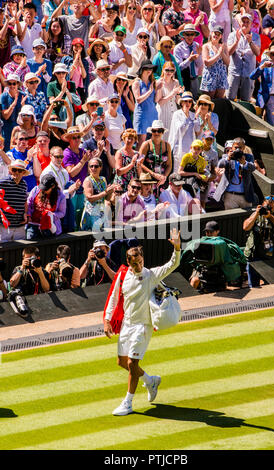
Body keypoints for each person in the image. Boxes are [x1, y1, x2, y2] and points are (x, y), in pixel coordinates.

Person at [103, 227, 181, 416]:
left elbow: (172, 264)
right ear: (128, 262)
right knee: (121, 362)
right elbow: (114, 298)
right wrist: (107, 320)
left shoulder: (151, 275)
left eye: (141, 262)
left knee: (131, 363)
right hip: (126, 325)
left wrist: (177, 248)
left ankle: (128, 403)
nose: (139, 266)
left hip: (143, 326)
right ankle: (150, 381)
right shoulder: (122, 276)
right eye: (135, 263)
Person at [243, 195, 274, 287]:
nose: (269, 207)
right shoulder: (255, 215)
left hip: (271, 255)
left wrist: (270, 216)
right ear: (262, 204)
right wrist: (257, 213)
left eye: (272, 205)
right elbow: (246, 227)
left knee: (272, 284)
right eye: (267, 205)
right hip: (255, 254)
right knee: (253, 285)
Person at [227, 13, 261, 102]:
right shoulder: (232, 35)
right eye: (243, 21)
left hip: (248, 73)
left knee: (245, 100)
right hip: (234, 72)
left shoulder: (256, 37)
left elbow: (257, 53)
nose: (245, 24)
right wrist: (236, 42)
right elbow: (229, 52)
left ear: (251, 24)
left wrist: (250, 42)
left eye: (247, 22)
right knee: (229, 98)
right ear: (240, 23)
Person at [80, 156, 117, 231]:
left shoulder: (103, 179)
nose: (93, 168)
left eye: (96, 166)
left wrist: (110, 192)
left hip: (101, 211)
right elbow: (90, 198)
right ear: (89, 168)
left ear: (100, 167)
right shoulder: (88, 180)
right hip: (91, 212)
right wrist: (105, 192)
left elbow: (107, 198)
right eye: (91, 166)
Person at [26, 173, 66, 240]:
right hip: (33, 224)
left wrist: (51, 215)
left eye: (46, 189)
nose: (43, 190)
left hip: (49, 227)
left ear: (53, 186)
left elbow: (62, 213)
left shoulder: (60, 196)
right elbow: (29, 203)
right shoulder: (35, 190)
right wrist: (28, 215)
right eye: (42, 187)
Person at [168, 91, 201, 173]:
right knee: (177, 173)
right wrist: (186, 116)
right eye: (186, 101)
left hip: (191, 149)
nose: (188, 103)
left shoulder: (193, 115)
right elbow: (180, 128)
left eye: (190, 101)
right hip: (179, 148)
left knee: (188, 172)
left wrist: (196, 118)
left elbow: (197, 130)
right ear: (182, 103)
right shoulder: (177, 114)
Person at [139, 120, 173, 193]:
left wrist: (164, 177)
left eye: (159, 131)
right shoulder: (146, 145)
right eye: (154, 131)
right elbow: (139, 163)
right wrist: (154, 174)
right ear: (151, 132)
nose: (157, 133)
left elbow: (169, 165)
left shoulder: (167, 145)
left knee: (163, 203)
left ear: (163, 132)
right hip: (148, 180)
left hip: (162, 181)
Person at [132, 59, 159, 149]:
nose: (149, 70)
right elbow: (138, 99)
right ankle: (138, 161)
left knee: (153, 141)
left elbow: (155, 100)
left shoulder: (153, 82)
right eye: (147, 68)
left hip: (153, 114)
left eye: (151, 68)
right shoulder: (137, 83)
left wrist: (158, 89)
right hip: (142, 114)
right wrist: (150, 91)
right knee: (141, 141)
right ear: (142, 70)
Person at [0, 159, 28, 242]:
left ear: (23, 173)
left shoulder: (24, 184)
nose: (16, 172)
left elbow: (25, 201)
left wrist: (25, 213)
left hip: (20, 225)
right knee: (4, 252)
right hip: (5, 227)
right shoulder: (3, 182)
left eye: (19, 170)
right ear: (10, 171)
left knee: (20, 251)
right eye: (14, 170)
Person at [173, 23, 202, 100]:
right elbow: (178, 67)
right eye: (187, 34)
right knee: (184, 101)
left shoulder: (197, 46)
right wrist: (189, 60)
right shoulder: (178, 48)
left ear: (194, 35)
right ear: (184, 35)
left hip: (194, 79)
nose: (189, 37)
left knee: (195, 100)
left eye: (192, 34)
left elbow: (199, 65)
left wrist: (198, 57)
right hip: (183, 80)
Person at [155, 61, 184, 138]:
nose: (169, 72)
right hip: (162, 111)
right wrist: (173, 93)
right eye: (167, 70)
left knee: (173, 135)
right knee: (162, 136)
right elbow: (159, 102)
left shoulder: (176, 82)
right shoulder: (159, 82)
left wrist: (180, 96)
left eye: (171, 70)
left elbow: (177, 99)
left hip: (173, 111)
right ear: (163, 70)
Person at [200, 25, 230, 99]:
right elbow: (206, 62)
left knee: (219, 101)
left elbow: (227, 62)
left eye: (218, 34)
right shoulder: (206, 46)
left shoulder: (224, 47)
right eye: (215, 33)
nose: (216, 36)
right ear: (211, 33)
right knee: (209, 100)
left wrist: (222, 53)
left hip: (221, 76)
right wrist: (218, 54)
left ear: (221, 36)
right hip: (210, 76)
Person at [82, 119, 114, 184]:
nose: (99, 131)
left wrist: (108, 153)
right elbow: (88, 164)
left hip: (105, 179)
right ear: (92, 130)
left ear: (104, 130)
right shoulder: (86, 144)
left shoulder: (108, 143)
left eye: (101, 129)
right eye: (97, 129)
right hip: (91, 181)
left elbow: (113, 165)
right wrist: (100, 151)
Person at [61, 37, 89, 103]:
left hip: (80, 89)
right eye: (75, 46)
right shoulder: (66, 59)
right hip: (69, 87)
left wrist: (80, 63)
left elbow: (84, 76)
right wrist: (75, 61)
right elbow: (69, 76)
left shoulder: (85, 61)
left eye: (79, 46)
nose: (77, 48)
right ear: (72, 47)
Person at [114, 128, 140, 192]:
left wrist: (139, 166)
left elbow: (139, 173)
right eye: (128, 138)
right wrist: (132, 164)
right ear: (124, 139)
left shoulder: (137, 154)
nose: (130, 140)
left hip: (133, 186)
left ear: (135, 140)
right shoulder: (120, 153)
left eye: (132, 138)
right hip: (121, 185)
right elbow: (119, 172)